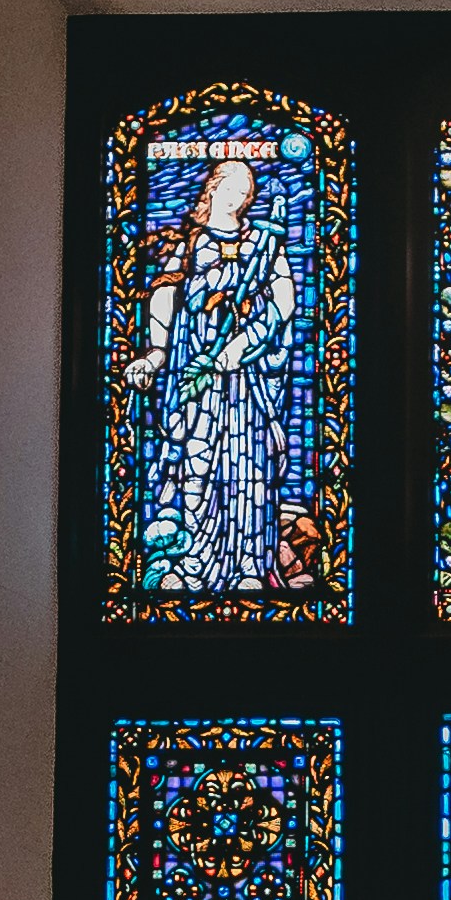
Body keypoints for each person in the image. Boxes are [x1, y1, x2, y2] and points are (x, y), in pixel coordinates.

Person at [120, 157, 305, 593]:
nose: (237, 198)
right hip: (197, 376)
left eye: (245, 192)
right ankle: (195, 563)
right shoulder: (190, 244)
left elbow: (284, 303)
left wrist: (242, 346)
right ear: (212, 190)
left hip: (246, 382)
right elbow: (163, 298)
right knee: (197, 465)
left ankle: (246, 566)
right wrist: (155, 354)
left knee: (249, 472)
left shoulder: (265, 242)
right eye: (229, 189)